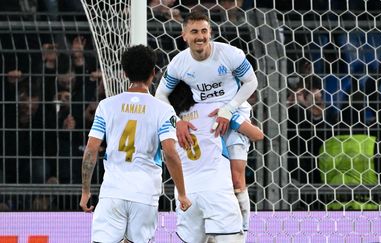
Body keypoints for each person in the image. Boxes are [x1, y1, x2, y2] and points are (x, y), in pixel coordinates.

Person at [155, 11, 258, 239]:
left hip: (232, 113)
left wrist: (229, 109)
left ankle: (243, 231)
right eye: (194, 32)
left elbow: (251, 82)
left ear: (210, 32)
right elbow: (160, 94)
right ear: (184, 36)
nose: (200, 36)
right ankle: (210, 230)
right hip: (204, 118)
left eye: (204, 31)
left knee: (236, 178)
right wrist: (177, 121)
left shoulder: (230, 54)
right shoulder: (179, 63)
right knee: (208, 175)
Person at [79, 44, 191, 242]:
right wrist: (182, 193)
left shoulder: (106, 106)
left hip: (112, 192)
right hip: (144, 193)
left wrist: (86, 191)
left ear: (124, 73)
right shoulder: (163, 110)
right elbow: (170, 153)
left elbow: (91, 150)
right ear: (154, 73)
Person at [168, 81, 263, 243]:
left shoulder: (173, 123)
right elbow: (258, 135)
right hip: (215, 190)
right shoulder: (215, 110)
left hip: (186, 193)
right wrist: (230, 115)